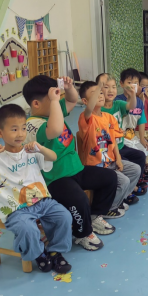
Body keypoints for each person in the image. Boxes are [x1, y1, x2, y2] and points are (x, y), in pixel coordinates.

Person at [23, 76, 117, 252]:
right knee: (79, 199)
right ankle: (83, 234)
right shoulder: (32, 125)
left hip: (76, 169)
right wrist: (54, 102)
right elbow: (55, 130)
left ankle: (94, 215)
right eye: (52, 99)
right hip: (56, 178)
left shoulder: (52, 111)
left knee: (110, 178)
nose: (56, 102)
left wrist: (69, 87)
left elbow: (72, 100)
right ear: (36, 104)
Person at [0, 105, 72, 274]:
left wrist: (41, 148)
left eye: (23, 128)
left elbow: (53, 157)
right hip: (16, 209)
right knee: (27, 229)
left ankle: (55, 251)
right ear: (0, 133)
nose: (20, 134)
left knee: (64, 216)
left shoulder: (30, 150)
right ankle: (39, 253)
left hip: (42, 201)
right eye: (14, 129)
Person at [78, 81, 141, 218]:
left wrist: (118, 159)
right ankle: (108, 208)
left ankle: (116, 201)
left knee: (135, 169)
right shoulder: (86, 117)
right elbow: (89, 110)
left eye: (101, 92)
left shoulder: (109, 117)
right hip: (95, 166)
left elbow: (112, 141)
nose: (100, 95)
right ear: (85, 101)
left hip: (110, 161)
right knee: (123, 181)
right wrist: (99, 87)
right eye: (95, 93)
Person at [97, 73, 147, 197]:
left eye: (113, 87)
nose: (110, 90)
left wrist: (132, 95)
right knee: (125, 164)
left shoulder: (118, 104)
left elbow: (131, 106)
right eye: (106, 87)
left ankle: (132, 185)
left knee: (140, 156)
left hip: (120, 146)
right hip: (109, 150)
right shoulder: (98, 110)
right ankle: (127, 190)